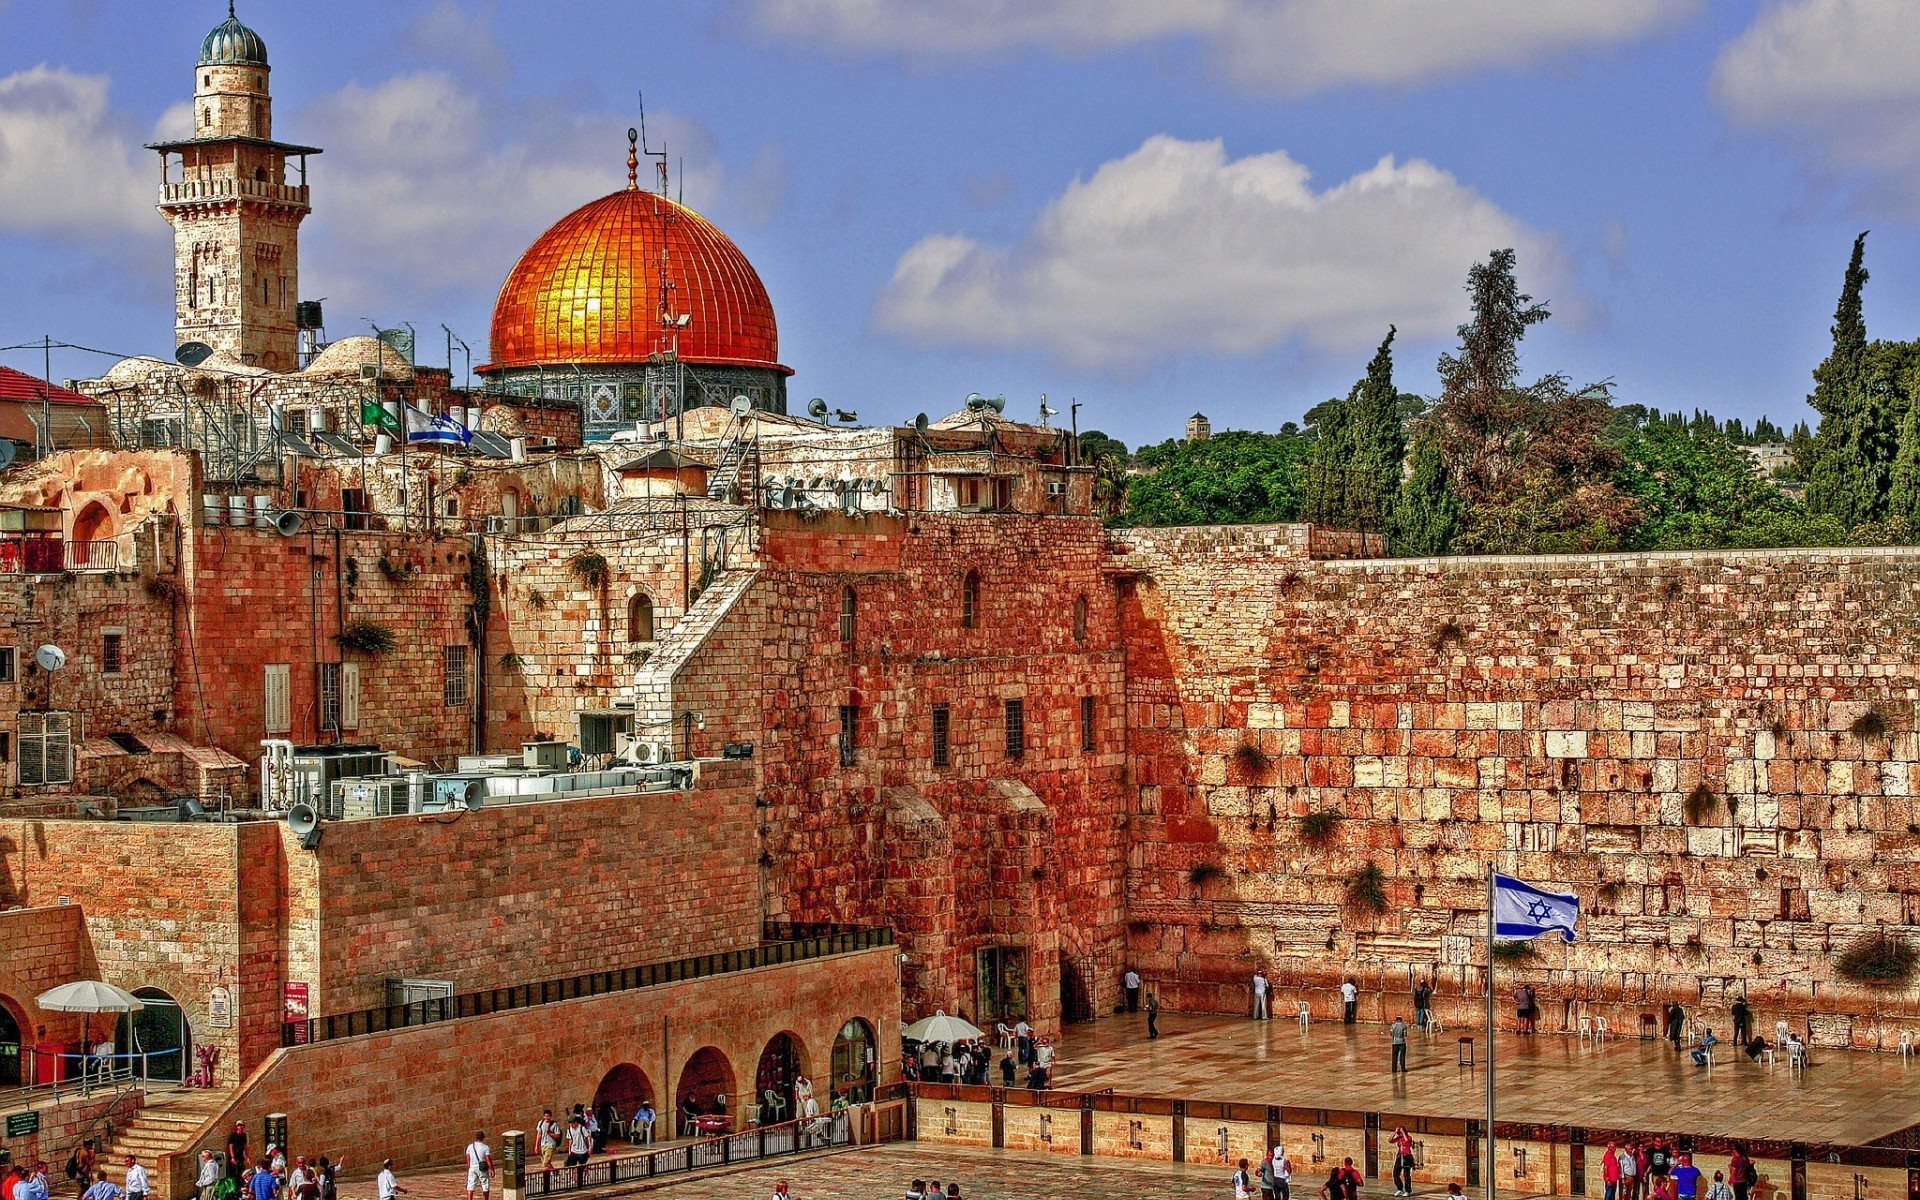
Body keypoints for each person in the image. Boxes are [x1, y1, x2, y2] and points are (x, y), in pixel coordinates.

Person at [464, 1131, 492, 1200]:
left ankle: (470, 1199)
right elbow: (488, 1159)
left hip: (472, 1168)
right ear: (483, 1138)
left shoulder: (470, 1146)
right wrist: (492, 1169)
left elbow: (468, 1158)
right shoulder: (485, 1147)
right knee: (485, 1184)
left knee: (470, 1185)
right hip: (482, 1168)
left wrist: (469, 1167)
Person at [1390, 1126, 1414, 1196]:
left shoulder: (1408, 1137)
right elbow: (1390, 1140)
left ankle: (1408, 1191)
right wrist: (1395, 1132)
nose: (1399, 1133)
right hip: (1400, 1156)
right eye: (1399, 1132)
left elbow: (1407, 1141)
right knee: (1395, 1173)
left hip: (1407, 1156)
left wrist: (1403, 1131)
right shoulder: (1398, 1138)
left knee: (1406, 1174)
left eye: (1400, 1132)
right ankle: (1399, 1188)